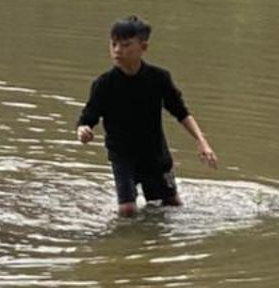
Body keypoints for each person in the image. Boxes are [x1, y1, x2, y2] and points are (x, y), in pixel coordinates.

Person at [77, 15, 216, 216]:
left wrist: (202, 141)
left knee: (171, 205)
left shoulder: (159, 78)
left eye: (125, 45)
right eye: (114, 44)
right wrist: (83, 131)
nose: (117, 50)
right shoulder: (104, 84)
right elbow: (87, 118)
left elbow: (181, 112)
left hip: (155, 154)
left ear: (143, 47)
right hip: (122, 155)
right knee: (127, 209)